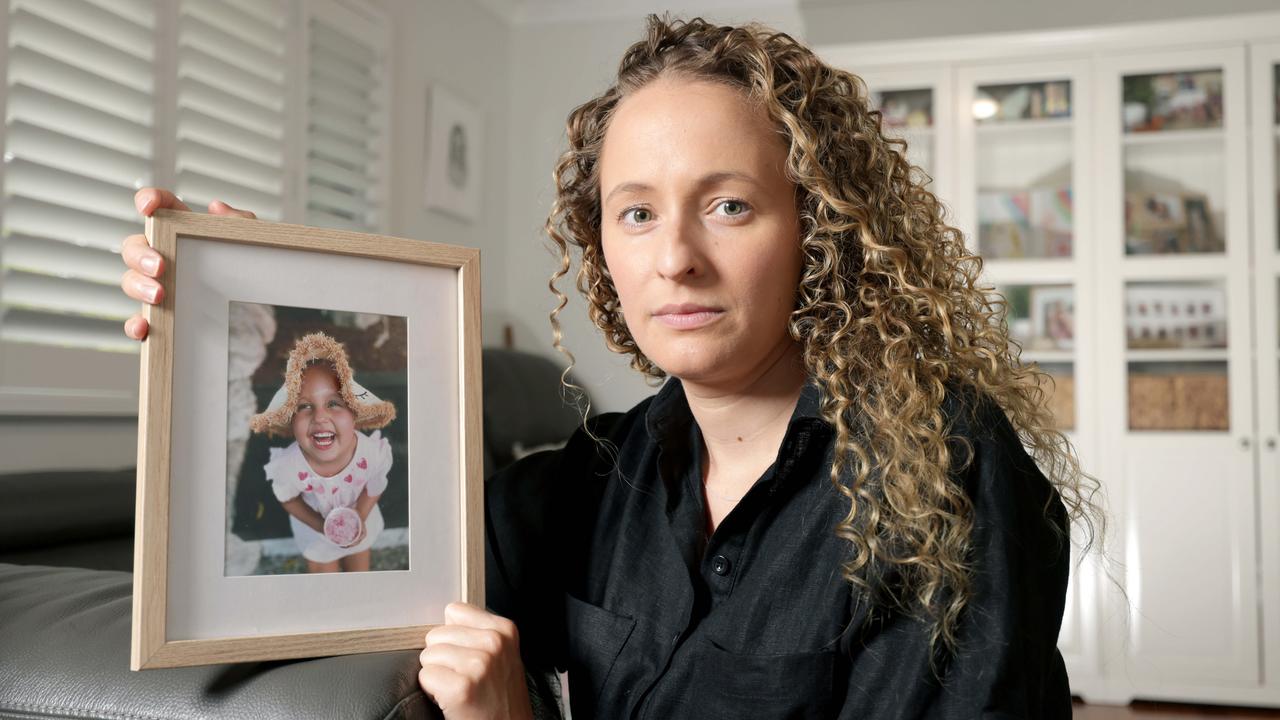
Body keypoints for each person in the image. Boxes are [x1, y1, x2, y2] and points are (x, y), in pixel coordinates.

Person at [120, 15, 1101, 719]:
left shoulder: (947, 478)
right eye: (635, 212)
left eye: (727, 205)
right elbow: (327, 593)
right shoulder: (580, 482)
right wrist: (243, 336)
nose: (673, 256)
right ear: (600, 250)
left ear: (819, 233)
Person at [250, 331, 396, 573]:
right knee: (324, 578)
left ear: (355, 415)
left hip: (361, 519)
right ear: (290, 421)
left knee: (360, 566)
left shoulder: (370, 452)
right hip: (317, 533)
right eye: (304, 406)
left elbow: (375, 483)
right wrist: (320, 525)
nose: (319, 417)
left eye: (334, 403)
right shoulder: (288, 465)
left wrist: (359, 516)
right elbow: (288, 498)